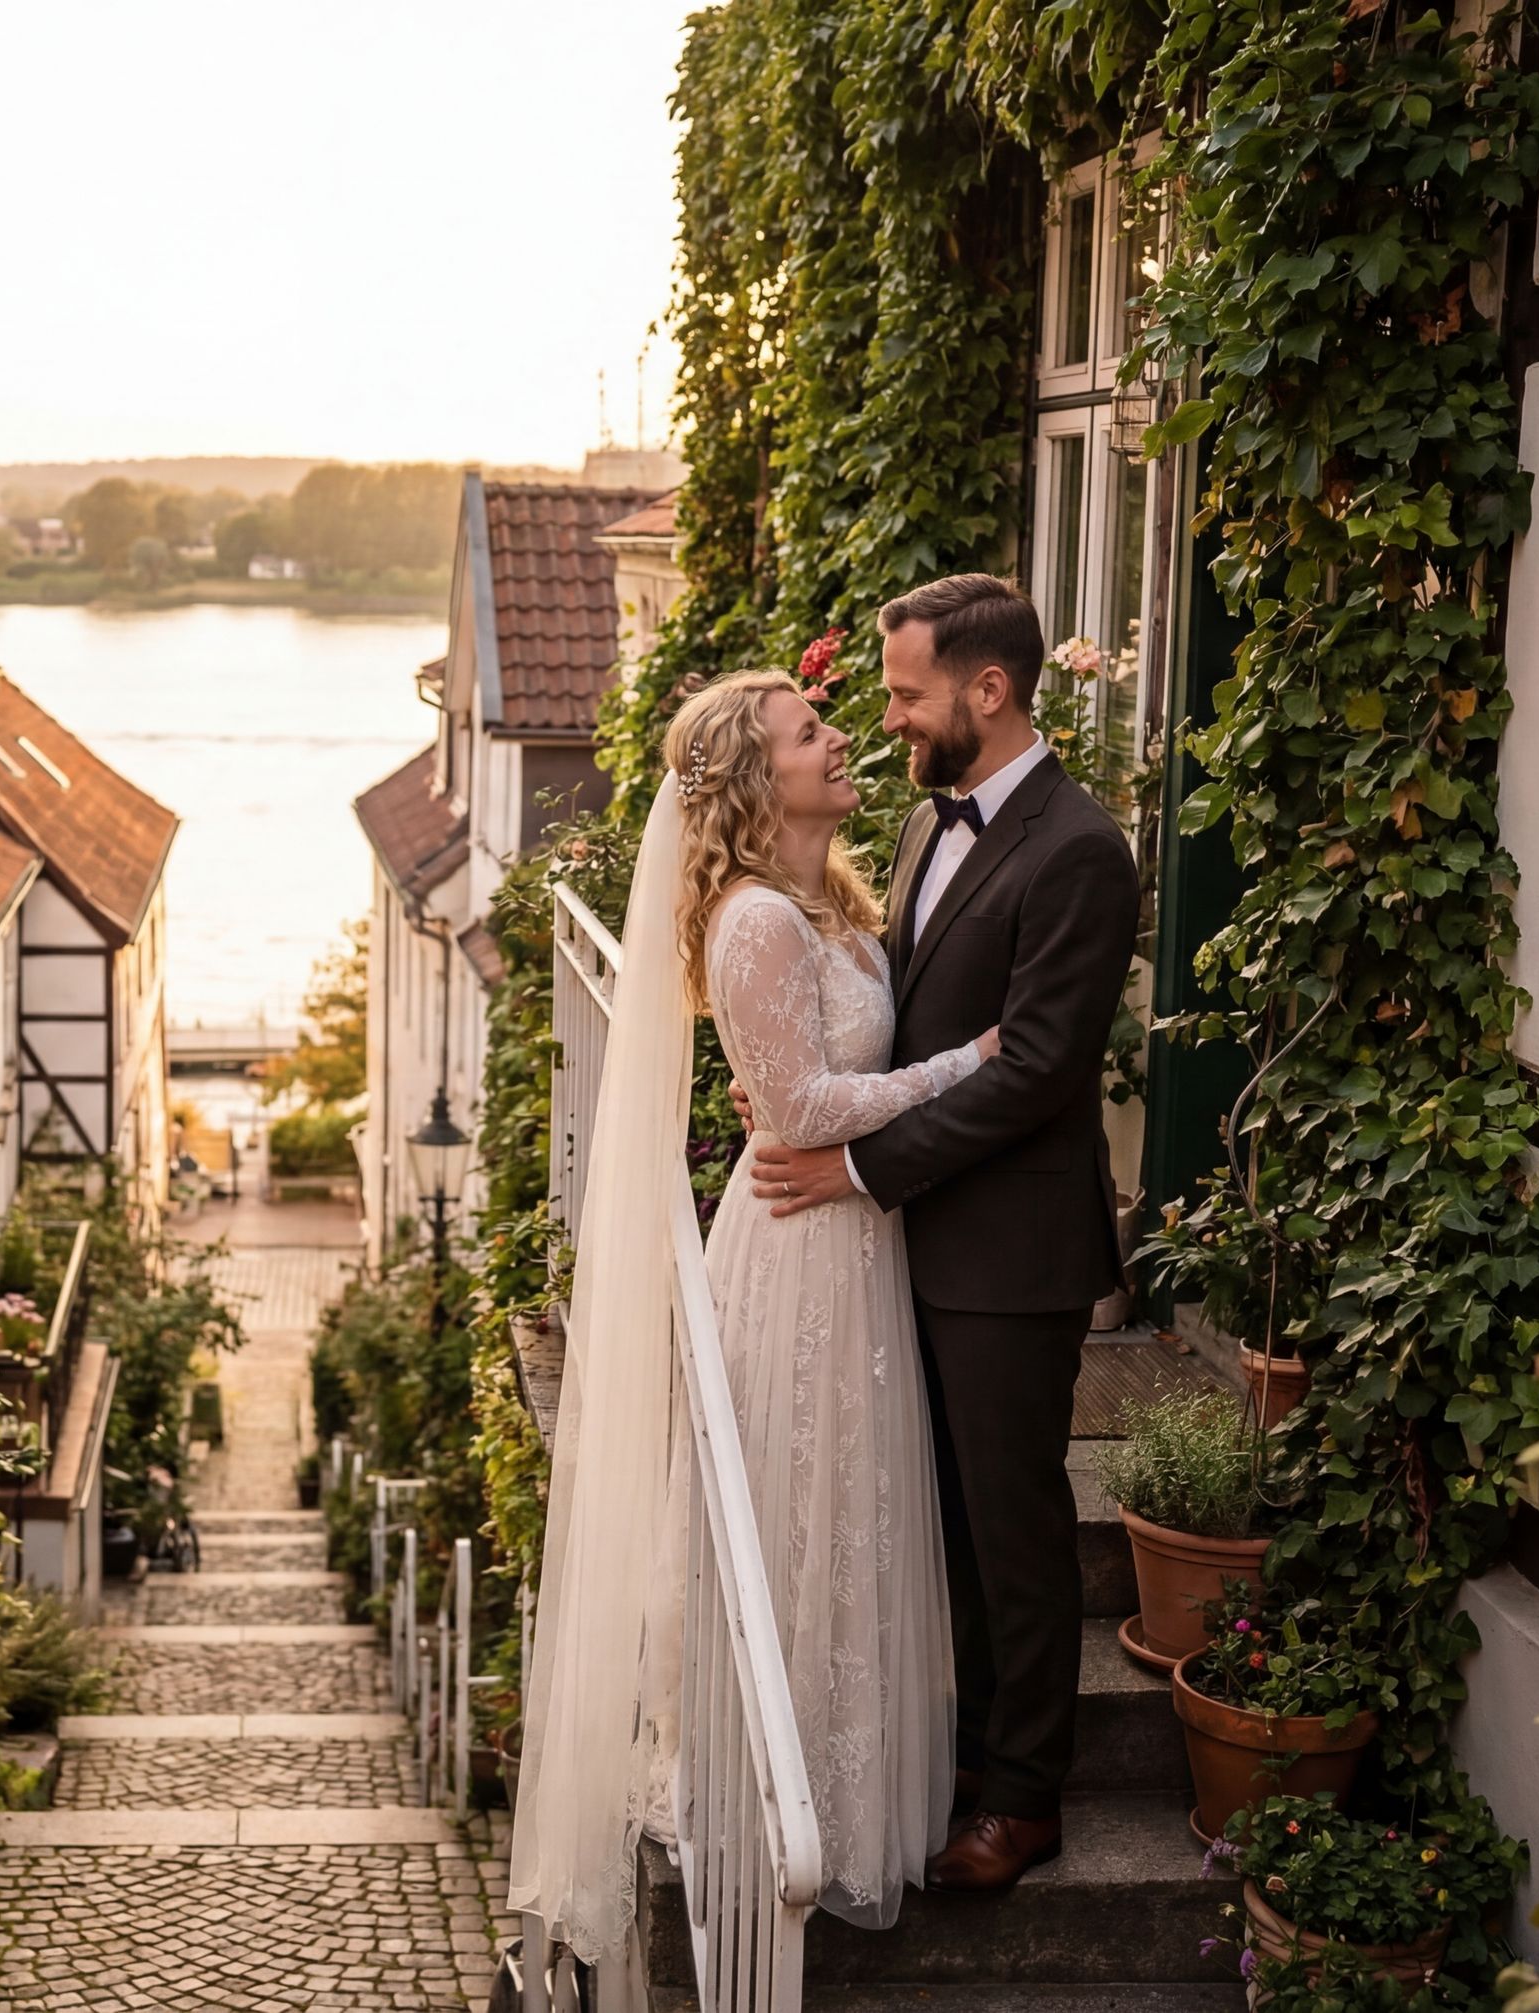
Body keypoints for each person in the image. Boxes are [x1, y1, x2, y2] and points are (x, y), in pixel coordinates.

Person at [508, 664, 997, 1983]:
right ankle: (764, 1791)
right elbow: (802, 1107)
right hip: (799, 1246)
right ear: (752, 780)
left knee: (851, 1503)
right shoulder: (748, 926)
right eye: (810, 733)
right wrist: (972, 1066)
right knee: (788, 1503)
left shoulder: (826, 901)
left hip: (859, 1239)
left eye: (829, 722)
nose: (841, 741)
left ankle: (843, 1788)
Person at [749, 573, 1141, 1895]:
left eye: (910, 693)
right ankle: (970, 1752)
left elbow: (1032, 1068)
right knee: (945, 1526)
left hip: (1011, 1256)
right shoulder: (929, 825)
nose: (891, 715)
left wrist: (857, 1162)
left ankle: (1026, 1796)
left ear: (989, 689)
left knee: (1014, 1529)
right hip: (916, 1235)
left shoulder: (1081, 848)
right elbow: (909, 1022)